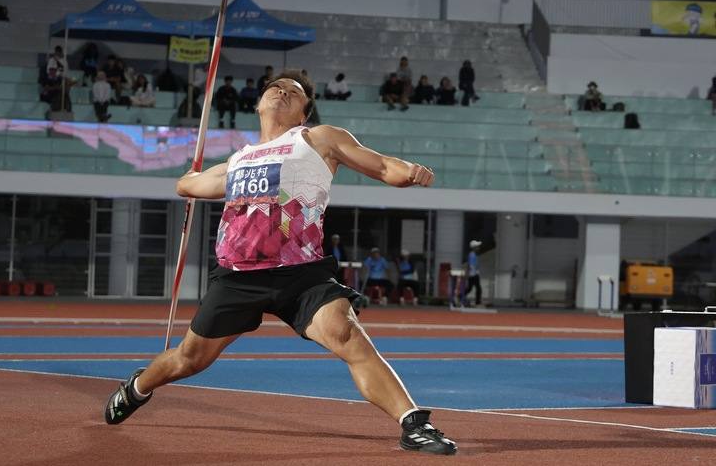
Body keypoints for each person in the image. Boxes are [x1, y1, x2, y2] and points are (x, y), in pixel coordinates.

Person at [103, 70, 456, 456]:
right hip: (238, 277)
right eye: (275, 88)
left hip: (301, 274)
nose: (283, 93)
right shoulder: (237, 161)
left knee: (345, 333)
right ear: (258, 103)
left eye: (294, 92)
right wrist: (188, 178)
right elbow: (189, 186)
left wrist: (408, 173)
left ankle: (412, 424)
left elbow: (385, 167)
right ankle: (138, 388)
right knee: (188, 360)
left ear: (305, 112)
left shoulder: (318, 138)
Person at [464, 240, 483, 307]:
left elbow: (470, 265)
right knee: (478, 288)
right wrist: (472, 273)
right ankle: (477, 302)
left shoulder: (473, 254)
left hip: (473, 274)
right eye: (477, 247)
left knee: (470, 288)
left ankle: (460, 296)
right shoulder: (472, 255)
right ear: (474, 247)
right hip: (473, 274)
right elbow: (471, 265)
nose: (479, 248)